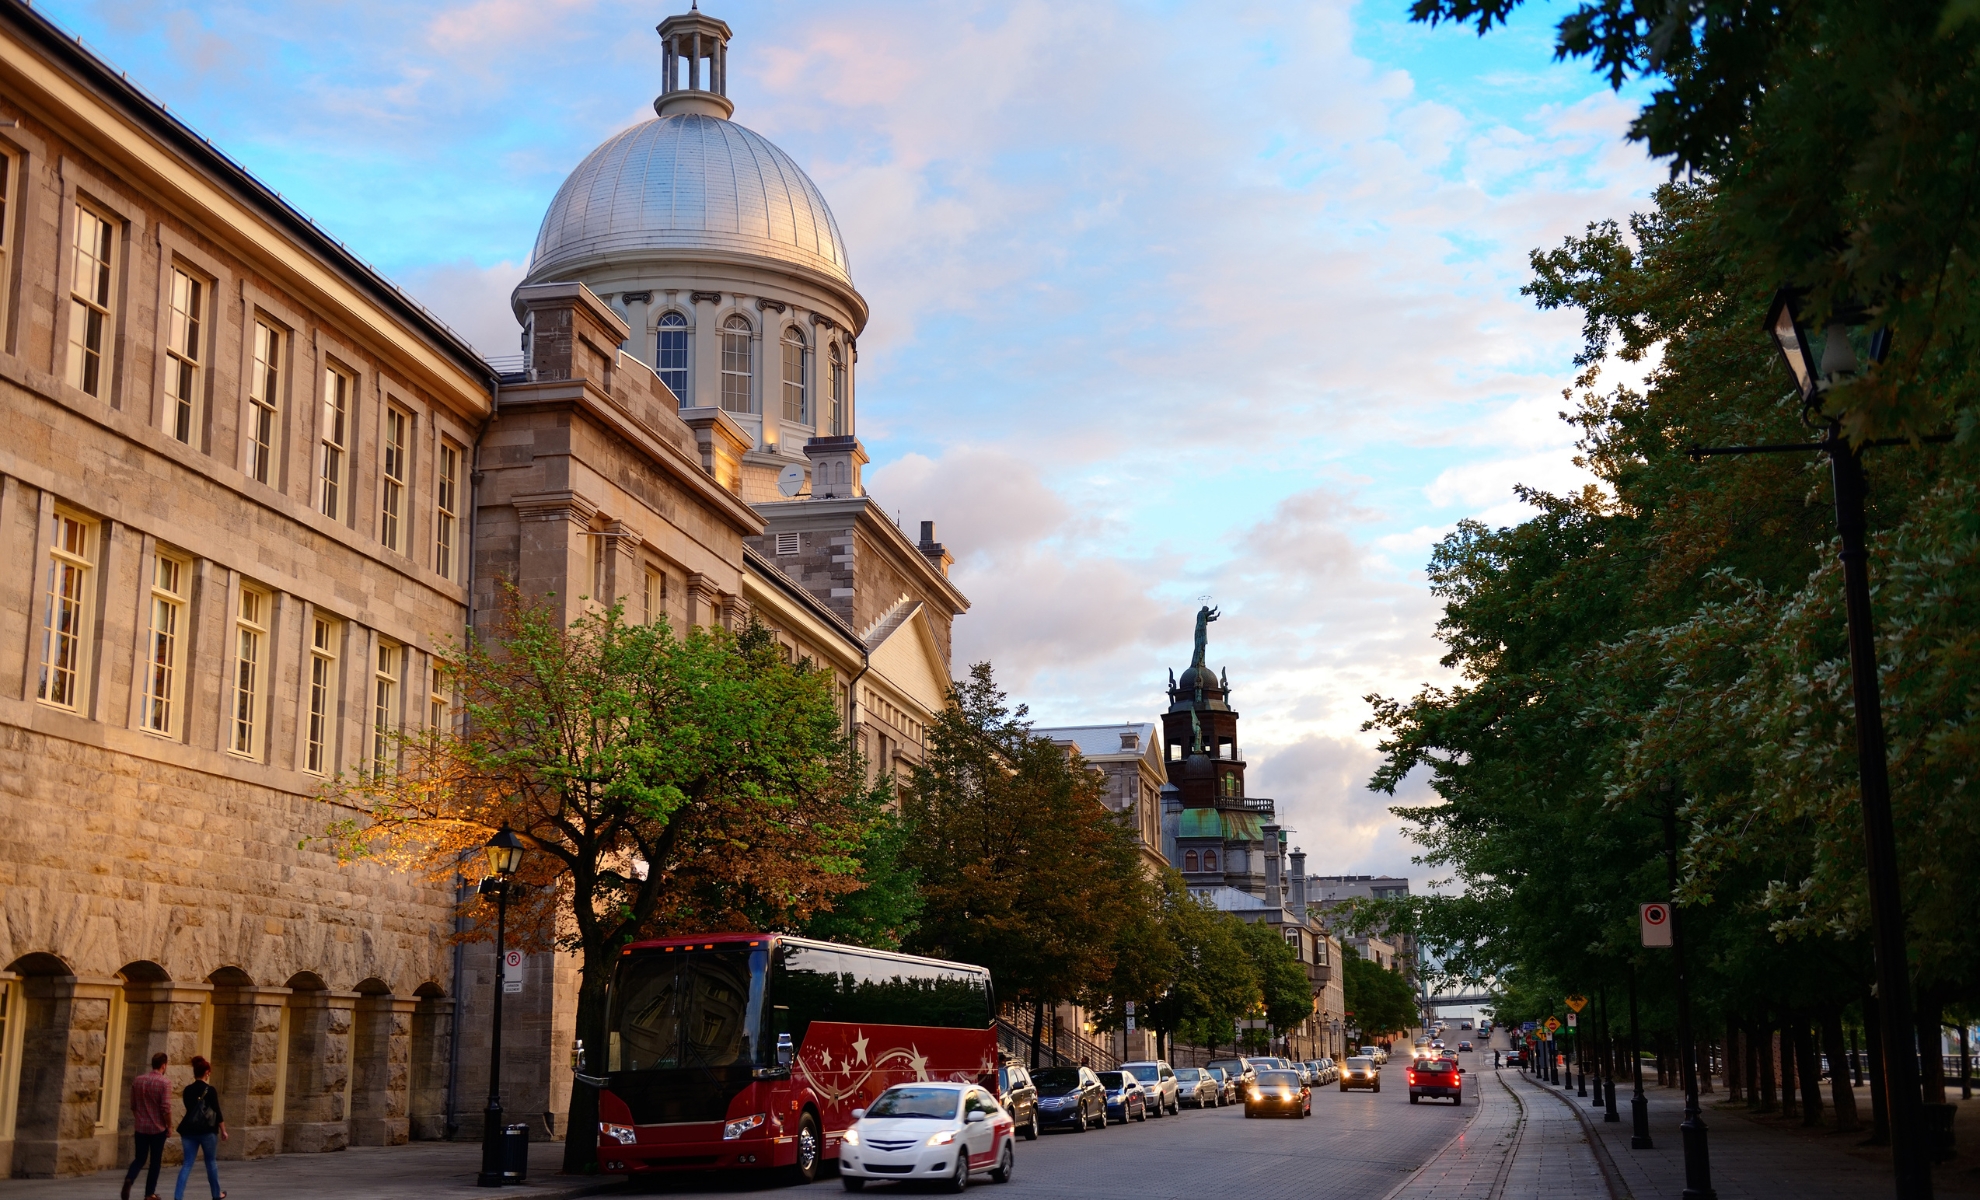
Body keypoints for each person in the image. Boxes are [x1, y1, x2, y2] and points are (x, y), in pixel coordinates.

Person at [173, 1056, 226, 1200]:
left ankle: (178, 1196)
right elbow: (217, 1111)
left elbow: (190, 1109)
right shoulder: (210, 1090)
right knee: (210, 1162)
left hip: (189, 1130)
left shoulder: (187, 1090)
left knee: (187, 1164)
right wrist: (223, 1130)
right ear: (207, 1072)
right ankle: (216, 1194)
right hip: (207, 1130)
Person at [122, 1052, 171, 1200]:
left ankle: (130, 1178)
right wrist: (169, 1125)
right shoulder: (165, 1083)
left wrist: (139, 1119)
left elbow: (133, 1105)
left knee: (140, 1158)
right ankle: (150, 1193)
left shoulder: (138, 1080)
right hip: (157, 1128)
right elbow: (165, 1108)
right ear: (164, 1065)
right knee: (155, 1162)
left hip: (141, 1127)